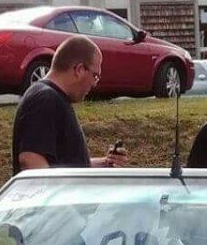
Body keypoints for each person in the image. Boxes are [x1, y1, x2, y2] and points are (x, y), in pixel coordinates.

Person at [11, 36, 127, 173]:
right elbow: (31, 161)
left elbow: (65, 167)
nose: (94, 83)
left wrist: (105, 163)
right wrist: (60, 194)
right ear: (79, 69)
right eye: (95, 76)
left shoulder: (52, 97)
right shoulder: (45, 99)